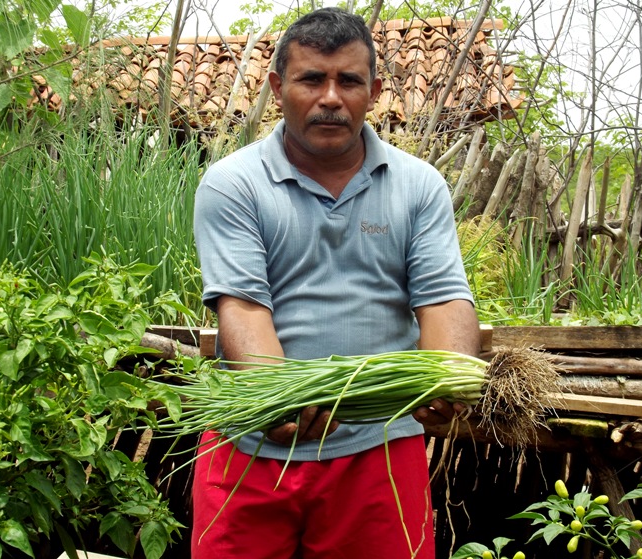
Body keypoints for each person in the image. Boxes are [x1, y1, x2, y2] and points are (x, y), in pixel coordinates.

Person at [191, 7, 480, 558]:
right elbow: (244, 306)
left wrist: (446, 378)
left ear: (374, 90)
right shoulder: (232, 184)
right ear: (278, 87)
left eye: (348, 80)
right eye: (311, 79)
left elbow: (443, 296)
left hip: (377, 453)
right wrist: (274, 399)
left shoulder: (419, 186)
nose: (330, 97)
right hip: (250, 449)